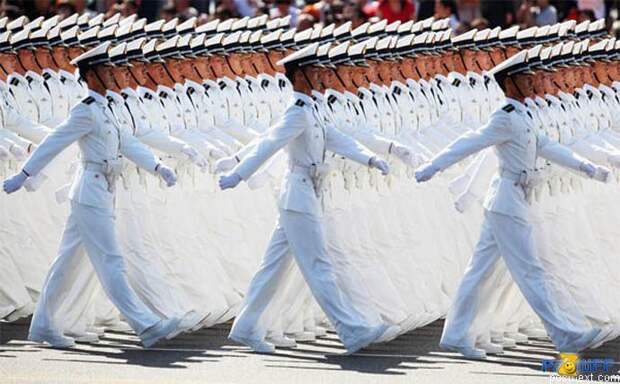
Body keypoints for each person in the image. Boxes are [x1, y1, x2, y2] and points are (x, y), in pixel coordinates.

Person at [414, 50, 612, 358]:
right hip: (508, 201)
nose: (534, 81)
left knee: (478, 271)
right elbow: (470, 142)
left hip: (511, 200)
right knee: (530, 269)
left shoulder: (523, 114)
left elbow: (548, 147)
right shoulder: (505, 116)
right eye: (526, 78)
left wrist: (587, 167)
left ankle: (455, 334)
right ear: (511, 83)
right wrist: (432, 166)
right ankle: (567, 335)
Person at [219, 43, 399, 354]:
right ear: (300, 75)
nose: (320, 75)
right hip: (298, 196)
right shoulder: (298, 111)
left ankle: (247, 326)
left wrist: (369, 158)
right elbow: (270, 143)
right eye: (313, 70)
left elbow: (334, 138)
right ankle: (353, 330)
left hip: (305, 195)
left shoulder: (312, 108)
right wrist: (239, 173)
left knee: (273, 266)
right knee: (319, 265)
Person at [1, 41, 182, 349]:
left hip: (102, 191)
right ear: (92, 75)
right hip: (90, 192)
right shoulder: (85, 111)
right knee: (111, 260)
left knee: (66, 264)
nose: (112, 73)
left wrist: (157, 166)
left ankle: (43, 324)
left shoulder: (105, 108)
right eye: (105, 69)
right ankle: (146, 323)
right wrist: (25, 174)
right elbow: (53, 142)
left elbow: (127, 142)